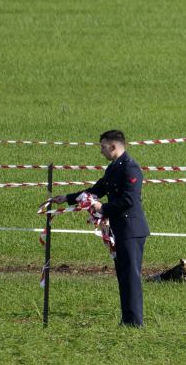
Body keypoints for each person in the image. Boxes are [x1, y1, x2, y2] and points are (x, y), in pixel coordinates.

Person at [50, 130, 150, 327]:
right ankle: (127, 320)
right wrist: (68, 198)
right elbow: (97, 190)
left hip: (131, 230)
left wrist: (103, 208)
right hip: (119, 229)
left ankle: (135, 322)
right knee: (123, 276)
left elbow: (129, 200)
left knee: (131, 277)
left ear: (113, 147)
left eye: (103, 147)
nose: (101, 151)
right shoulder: (113, 168)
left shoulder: (131, 168)